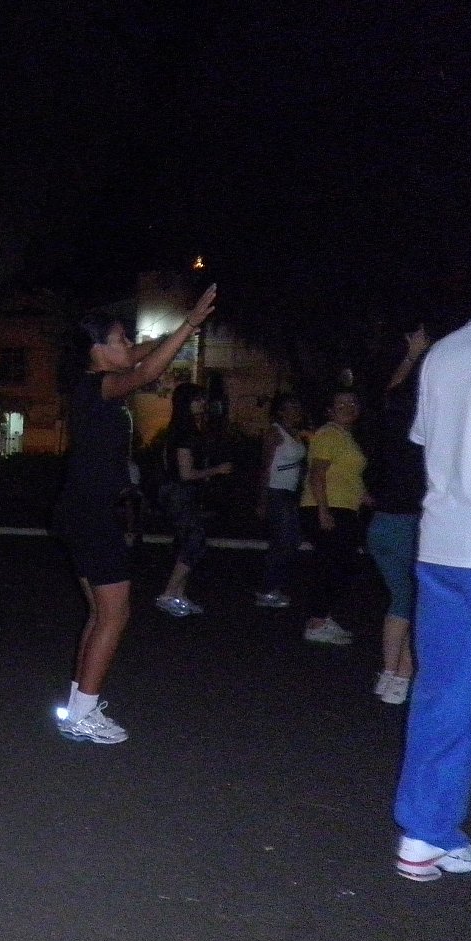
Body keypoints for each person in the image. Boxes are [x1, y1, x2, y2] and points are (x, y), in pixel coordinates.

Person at [52, 285, 218, 744]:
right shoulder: (99, 386)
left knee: (99, 614)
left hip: (81, 509)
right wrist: (189, 324)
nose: (129, 343)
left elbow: (142, 354)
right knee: (115, 615)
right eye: (120, 339)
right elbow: (147, 369)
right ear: (97, 350)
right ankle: (83, 713)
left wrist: (184, 327)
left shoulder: (92, 383)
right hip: (90, 513)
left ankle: (78, 707)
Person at [392, 269, 471, 884]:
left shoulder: (445, 353)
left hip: (444, 547)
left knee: (447, 695)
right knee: (453, 695)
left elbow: (427, 442)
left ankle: (424, 835)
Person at [364, 327, 429, 704]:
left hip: (382, 526)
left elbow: (392, 393)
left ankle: (390, 674)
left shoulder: (386, 432)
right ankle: (401, 675)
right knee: (414, 602)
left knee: (400, 599)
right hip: (409, 526)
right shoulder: (427, 442)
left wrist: (411, 355)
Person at [154, 381, 234, 617]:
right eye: (197, 400)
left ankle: (179, 595)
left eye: (203, 399)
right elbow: (185, 473)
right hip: (179, 493)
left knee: (189, 542)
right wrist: (217, 470)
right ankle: (168, 594)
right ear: (185, 404)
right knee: (194, 542)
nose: (203, 404)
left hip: (182, 492)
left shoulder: (187, 430)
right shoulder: (184, 434)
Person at [301, 388, 368, 645]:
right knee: (333, 565)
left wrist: (367, 498)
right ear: (329, 411)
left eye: (352, 403)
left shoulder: (345, 437)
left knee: (340, 565)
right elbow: (317, 474)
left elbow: (349, 476)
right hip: (329, 507)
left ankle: (322, 617)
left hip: (345, 507)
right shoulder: (328, 434)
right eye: (341, 404)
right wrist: (323, 510)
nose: (348, 407)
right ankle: (316, 622)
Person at [254, 393, 307, 608]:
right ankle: (267, 589)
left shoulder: (296, 433)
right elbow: (265, 467)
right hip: (276, 491)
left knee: (292, 540)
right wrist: (262, 500)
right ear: (281, 411)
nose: (295, 411)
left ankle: (274, 586)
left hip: (291, 492)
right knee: (283, 540)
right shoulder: (275, 433)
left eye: (297, 407)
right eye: (290, 407)